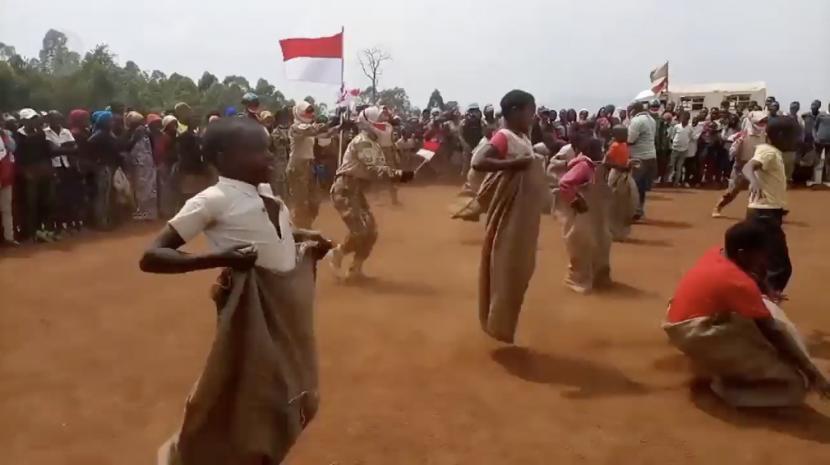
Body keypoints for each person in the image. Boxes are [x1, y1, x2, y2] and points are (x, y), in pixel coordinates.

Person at [140, 117, 332, 465]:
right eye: (259, 150)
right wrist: (219, 259)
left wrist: (307, 239)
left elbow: (279, 236)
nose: (270, 157)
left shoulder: (268, 196)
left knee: (288, 394)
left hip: (283, 310)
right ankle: (186, 455)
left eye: (270, 148)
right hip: (249, 314)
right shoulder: (212, 200)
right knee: (250, 398)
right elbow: (153, 256)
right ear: (224, 156)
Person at [663, 220, 830, 407]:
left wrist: (767, 288)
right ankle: (724, 386)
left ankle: (717, 364)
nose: (765, 260)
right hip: (694, 334)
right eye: (761, 254)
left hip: (679, 321)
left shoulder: (718, 253)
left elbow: (756, 276)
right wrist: (813, 374)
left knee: (765, 308)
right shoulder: (739, 283)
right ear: (742, 254)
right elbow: (773, 332)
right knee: (796, 385)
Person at [471, 89, 547, 343]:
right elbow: (479, 161)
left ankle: (502, 324)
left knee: (520, 268)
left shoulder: (522, 136)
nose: (533, 117)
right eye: (530, 111)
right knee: (507, 267)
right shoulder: (504, 136)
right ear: (515, 111)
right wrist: (513, 165)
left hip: (524, 213)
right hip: (510, 213)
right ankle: (497, 324)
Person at [329, 106, 414, 280]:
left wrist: (399, 175)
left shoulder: (373, 143)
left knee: (371, 232)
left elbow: (380, 170)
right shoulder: (363, 141)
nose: (385, 124)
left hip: (355, 190)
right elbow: (377, 169)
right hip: (345, 189)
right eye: (380, 120)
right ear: (369, 123)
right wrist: (400, 174)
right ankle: (338, 253)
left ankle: (355, 270)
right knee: (361, 230)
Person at [742, 116, 798, 295]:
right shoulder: (768, 151)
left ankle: (761, 295)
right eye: (792, 136)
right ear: (780, 135)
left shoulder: (774, 152)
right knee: (780, 266)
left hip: (768, 212)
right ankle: (768, 299)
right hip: (763, 214)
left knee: (763, 260)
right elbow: (748, 167)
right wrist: (753, 181)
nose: (795, 140)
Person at [555, 136, 612, 293]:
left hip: (590, 214)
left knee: (599, 242)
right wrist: (575, 200)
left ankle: (595, 276)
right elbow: (565, 183)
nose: (602, 152)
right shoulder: (583, 166)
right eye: (599, 150)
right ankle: (576, 279)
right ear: (590, 151)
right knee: (582, 244)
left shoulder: (592, 166)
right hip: (581, 214)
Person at [287, 101, 337, 228]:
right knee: (300, 202)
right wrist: (329, 123)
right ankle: (299, 228)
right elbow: (312, 130)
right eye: (307, 111)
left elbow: (324, 134)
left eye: (311, 111)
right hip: (297, 166)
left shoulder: (308, 127)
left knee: (315, 200)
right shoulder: (295, 127)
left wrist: (339, 127)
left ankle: (305, 225)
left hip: (309, 165)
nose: (310, 114)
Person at [712, 111, 768, 217]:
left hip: (757, 166)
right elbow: (731, 149)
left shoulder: (764, 135)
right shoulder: (743, 134)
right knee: (732, 191)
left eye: (764, 121)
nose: (763, 123)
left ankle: (758, 213)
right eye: (760, 121)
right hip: (741, 166)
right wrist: (735, 148)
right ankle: (718, 206)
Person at [14, 108, 57, 242]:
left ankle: (42, 230)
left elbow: (47, 153)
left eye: (35, 119)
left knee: (46, 201)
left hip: (43, 171)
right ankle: (30, 232)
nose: (34, 121)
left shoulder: (41, 134)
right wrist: (24, 172)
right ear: (23, 121)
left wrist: (50, 169)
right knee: (30, 204)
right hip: (29, 174)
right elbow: (18, 157)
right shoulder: (18, 136)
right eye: (31, 119)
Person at [44, 110, 83, 234]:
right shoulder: (45, 133)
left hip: (68, 167)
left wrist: (60, 148)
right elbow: (51, 151)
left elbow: (75, 148)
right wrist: (66, 147)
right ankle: (58, 225)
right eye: (53, 119)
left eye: (57, 119)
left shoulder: (66, 131)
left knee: (70, 196)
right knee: (57, 198)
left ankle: (72, 223)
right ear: (49, 120)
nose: (56, 121)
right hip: (55, 168)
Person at [87, 111, 122, 229]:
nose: (112, 123)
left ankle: (105, 220)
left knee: (105, 196)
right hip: (104, 168)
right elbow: (89, 150)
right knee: (102, 196)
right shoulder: (100, 135)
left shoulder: (105, 134)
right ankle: (102, 222)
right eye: (110, 121)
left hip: (107, 167)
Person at [605, 126, 638, 241]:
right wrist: (622, 167)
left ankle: (620, 232)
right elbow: (607, 162)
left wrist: (629, 164)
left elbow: (625, 159)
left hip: (625, 175)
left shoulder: (624, 145)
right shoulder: (614, 146)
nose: (626, 136)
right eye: (623, 134)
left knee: (626, 203)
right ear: (616, 135)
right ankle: (612, 232)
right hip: (616, 176)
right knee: (615, 204)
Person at [626, 101, 657, 219]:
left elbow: (630, 139)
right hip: (651, 156)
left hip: (639, 158)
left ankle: (633, 211)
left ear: (634, 110)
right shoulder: (651, 119)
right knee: (641, 187)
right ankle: (639, 210)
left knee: (633, 186)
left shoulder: (637, 121)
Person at [125, 111, 158, 220]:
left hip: (142, 164)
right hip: (146, 163)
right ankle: (149, 212)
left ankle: (145, 212)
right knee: (147, 187)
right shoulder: (146, 132)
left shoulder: (138, 133)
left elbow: (128, 146)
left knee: (143, 188)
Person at [268, 108, 292, 200]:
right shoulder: (275, 133)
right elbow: (271, 148)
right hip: (279, 162)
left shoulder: (292, 130)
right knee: (280, 185)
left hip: (289, 161)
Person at [667, 111, 692, 186]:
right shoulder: (677, 126)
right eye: (683, 118)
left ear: (688, 119)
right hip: (675, 149)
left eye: (686, 118)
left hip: (684, 150)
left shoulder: (690, 128)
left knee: (679, 167)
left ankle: (676, 182)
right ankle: (667, 180)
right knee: (671, 165)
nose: (684, 119)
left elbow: (690, 138)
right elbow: (672, 136)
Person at [0, 126, 16, 245]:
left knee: (7, 209)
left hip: (6, 176)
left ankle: (9, 238)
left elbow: (13, 147)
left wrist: (5, 136)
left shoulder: (5, 135)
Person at [810, 101, 830, 187]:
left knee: (828, 161)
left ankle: (826, 180)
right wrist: (815, 137)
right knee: (816, 159)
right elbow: (814, 127)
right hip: (819, 141)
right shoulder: (821, 115)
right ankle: (814, 179)